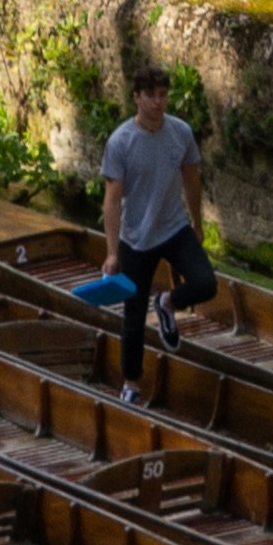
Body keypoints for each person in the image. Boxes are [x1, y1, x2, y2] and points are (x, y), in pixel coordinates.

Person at [97, 62, 212, 391]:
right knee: (132, 318)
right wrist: (111, 252)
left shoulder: (181, 133)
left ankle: (167, 304)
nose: (157, 102)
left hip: (174, 227)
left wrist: (198, 224)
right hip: (136, 238)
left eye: (162, 95)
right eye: (150, 95)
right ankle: (130, 385)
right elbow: (112, 200)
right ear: (136, 98)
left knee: (206, 283)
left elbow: (192, 180)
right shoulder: (121, 142)